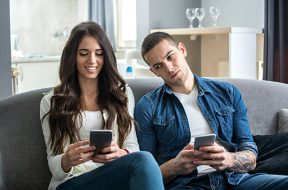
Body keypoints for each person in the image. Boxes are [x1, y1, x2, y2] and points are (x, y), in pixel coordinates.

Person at [135, 31, 288, 190]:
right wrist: (175, 166)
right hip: (188, 185)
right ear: (154, 71)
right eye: (158, 66)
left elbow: (249, 152)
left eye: (170, 56)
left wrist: (228, 159)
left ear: (182, 49)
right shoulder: (148, 106)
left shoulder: (227, 92)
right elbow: (146, 175)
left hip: (234, 180)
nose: (169, 67)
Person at [40, 21, 164, 190]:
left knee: (144, 159)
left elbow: (132, 146)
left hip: (112, 176)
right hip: (72, 182)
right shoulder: (52, 100)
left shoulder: (122, 94)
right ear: (72, 56)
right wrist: (66, 160)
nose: (92, 60)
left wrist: (120, 153)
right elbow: (53, 163)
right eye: (83, 53)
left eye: (99, 53)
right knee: (144, 160)